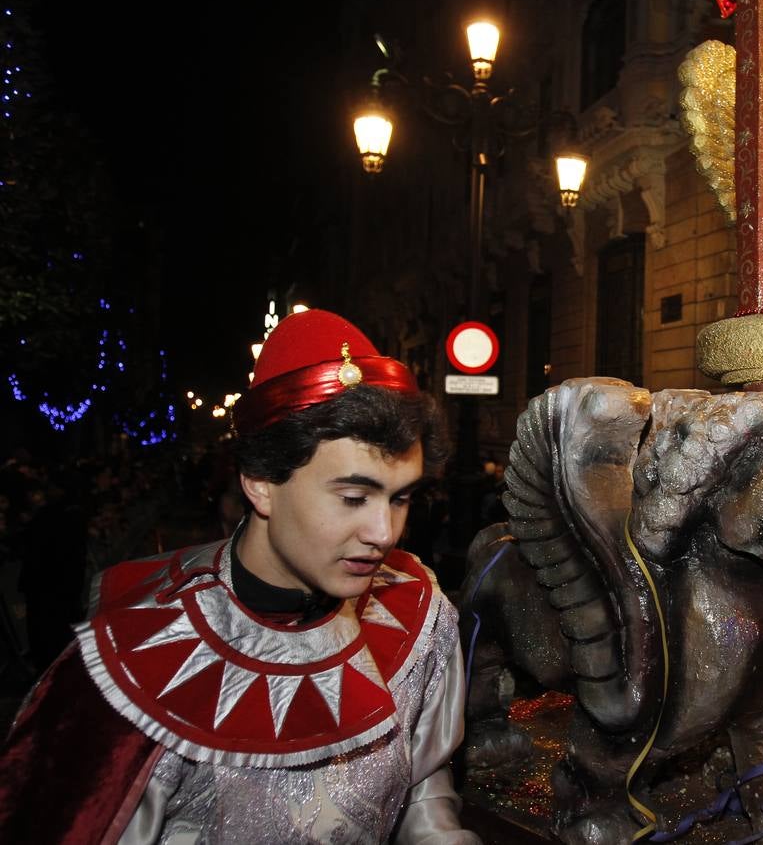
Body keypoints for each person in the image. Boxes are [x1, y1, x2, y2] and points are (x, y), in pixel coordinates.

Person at [0, 309, 481, 844]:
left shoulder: (416, 614)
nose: (384, 531)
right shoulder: (133, 659)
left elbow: (425, 795)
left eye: (401, 498)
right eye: (352, 497)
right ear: (259, 483)